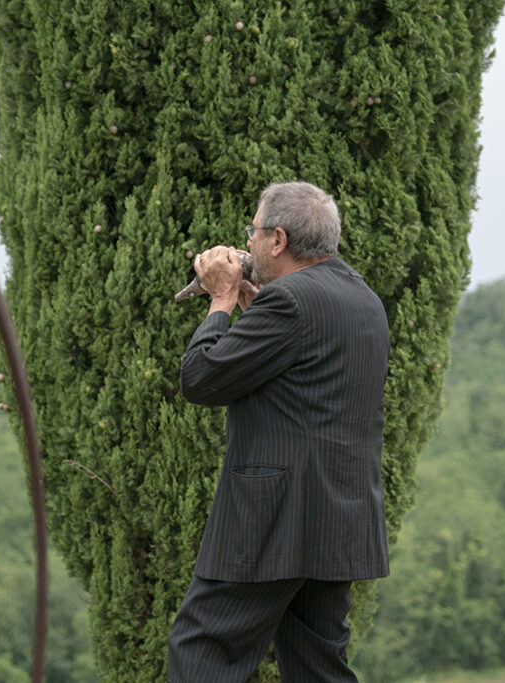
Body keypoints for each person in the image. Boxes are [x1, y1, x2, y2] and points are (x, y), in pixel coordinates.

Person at [168, 181, 390, 681]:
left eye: (254, 231)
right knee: (318, 668)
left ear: (278, 240)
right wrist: (253, 312)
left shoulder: (288, 301)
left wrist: (221, 299)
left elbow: (201, 379)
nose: (248, 242)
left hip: (272, 524)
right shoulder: (363, 299)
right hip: (339, 521)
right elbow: (302, 379)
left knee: (202, 651)